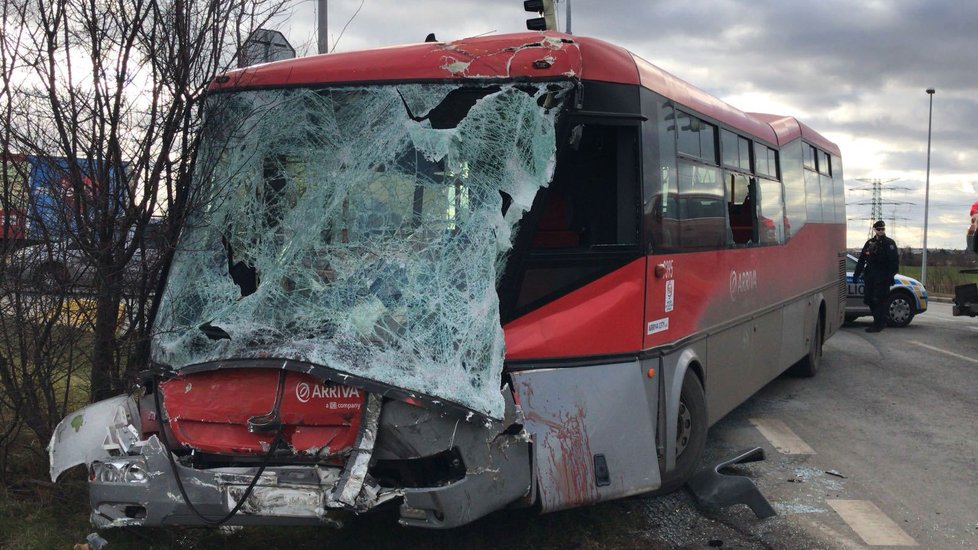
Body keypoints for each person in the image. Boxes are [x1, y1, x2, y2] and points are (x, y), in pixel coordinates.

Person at [853, 220, 900, 333]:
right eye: (878, 229)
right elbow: (861, 260)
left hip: (883, 277)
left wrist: (890, 276)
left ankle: (879, 323)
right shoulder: (870, 243)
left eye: (882, 229)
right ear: (874, 230)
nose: (880, 231)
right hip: (870, 276)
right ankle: (879, 321)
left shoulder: (889, 243)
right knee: (869, 299)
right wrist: (857, 274)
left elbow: (894, 262)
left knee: (878, 300)